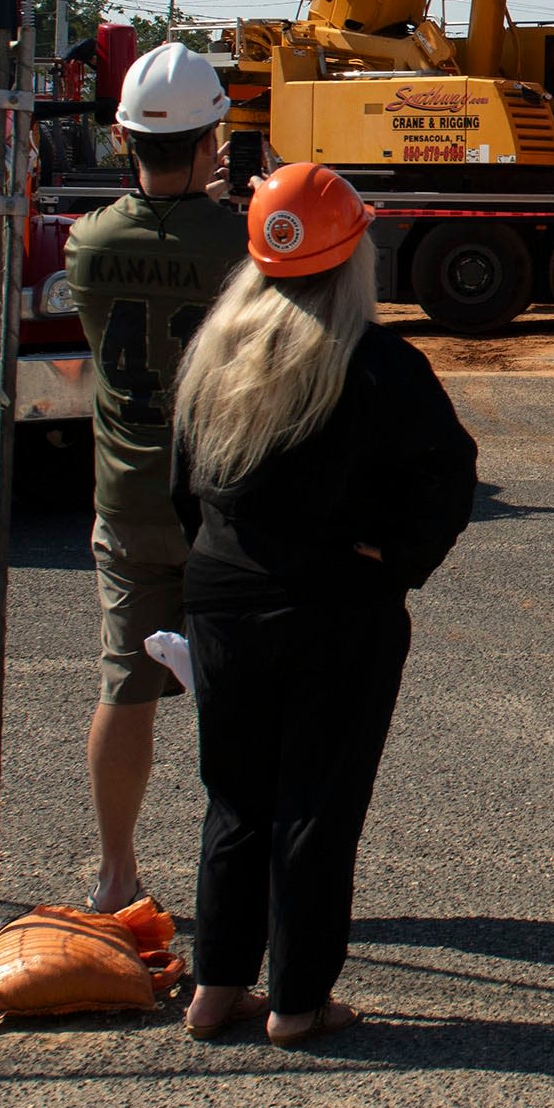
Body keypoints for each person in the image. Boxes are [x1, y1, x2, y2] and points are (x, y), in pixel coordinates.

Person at [170, 162, 477, 1046]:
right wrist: (399, 561)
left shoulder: (213, 351)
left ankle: (215, 985)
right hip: (338, 605)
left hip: (222, 592)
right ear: (355, 258)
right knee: (318, 800)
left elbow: (181, 486)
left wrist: (226, 551)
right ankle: (298, 1001)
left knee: (234, 795)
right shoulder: (378, 363)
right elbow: (447, 483)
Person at [65, 42, 248, 912]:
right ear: (214, 139)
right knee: (245, 693)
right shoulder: (240, 242)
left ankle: (115, 874)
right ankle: (240, 875)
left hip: (129, 490)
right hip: (222, 496)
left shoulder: (89, 244)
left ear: (121, 138)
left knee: (125, 683)